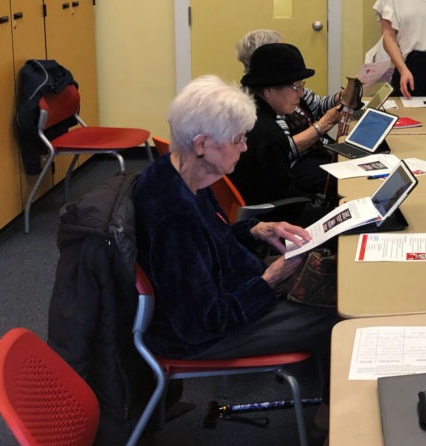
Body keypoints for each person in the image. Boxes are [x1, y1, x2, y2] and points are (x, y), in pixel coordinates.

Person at [133, 75, 335, 362]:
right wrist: (271, 278)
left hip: (234, 286)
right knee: (340, 317)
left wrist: (257, 230)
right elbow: (203, 324)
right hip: (205, 336)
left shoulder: (183, 171)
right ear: (202, 144)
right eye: (238, 139)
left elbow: (212, 242)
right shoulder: (174, 216)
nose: (244, 148)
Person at [231, 42, 342, 211]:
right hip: (278, 221)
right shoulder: (269, 134)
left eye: (301, 86)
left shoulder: (251, 113)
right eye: (295, 87)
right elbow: (284, 202)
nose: (301, 93)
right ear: (268, 91)